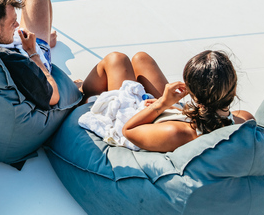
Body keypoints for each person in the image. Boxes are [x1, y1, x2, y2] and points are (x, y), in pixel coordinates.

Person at [101, 50, 255, 152]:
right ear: (233, 90)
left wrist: (162, 104)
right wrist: (180, 110)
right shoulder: (245, 119)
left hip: (139, 118)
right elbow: (214, 121)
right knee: (141, 59)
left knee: (116, 59)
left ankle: (84, 91)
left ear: (193, 95)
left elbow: (128, 131)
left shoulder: (179, 133)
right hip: (180, 113)